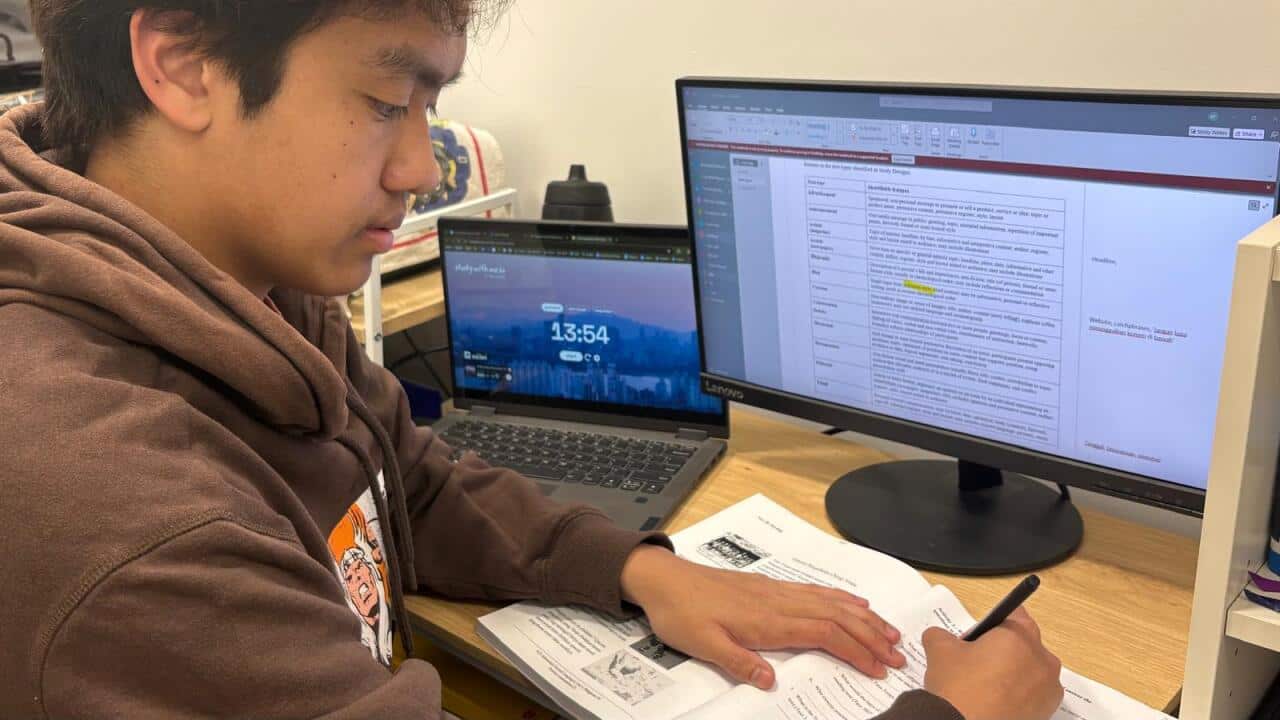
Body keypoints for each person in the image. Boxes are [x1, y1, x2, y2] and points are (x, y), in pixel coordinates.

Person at [0, 2, 1065, 718]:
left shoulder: (239, 283)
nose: (419, 164)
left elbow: (408, 475)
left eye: (431, 107)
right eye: (382, 102)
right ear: (183, 67)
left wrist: (641, 569)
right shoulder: (125, 525)